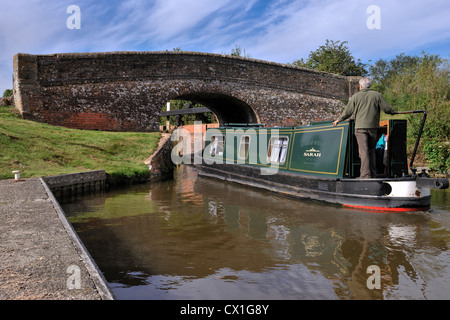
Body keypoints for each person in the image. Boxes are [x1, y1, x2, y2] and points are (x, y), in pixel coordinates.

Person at [333, 77, 397, 178]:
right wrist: (393, 112)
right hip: (373, 127)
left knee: (364, 152)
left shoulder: (355, 97)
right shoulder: (377, 95)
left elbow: (347, 112)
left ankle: (365, 176)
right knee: (371, 151)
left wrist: (338, 120)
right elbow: (387, 109)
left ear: (361, 86)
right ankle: (373, 174)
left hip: (360, 128)